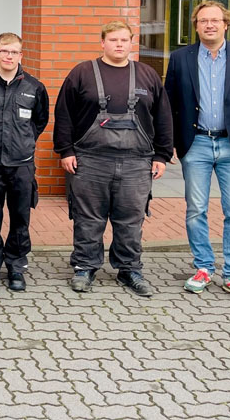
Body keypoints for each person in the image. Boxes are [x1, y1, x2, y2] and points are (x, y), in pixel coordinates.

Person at [54, 21, 172, 297]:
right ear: (102, 43)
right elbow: (64, 114)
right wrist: (66, 150)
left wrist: (162, 154)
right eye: (113, 40)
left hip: (136, 162)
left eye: (124, 40)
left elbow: (163, 116)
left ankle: (129, 269)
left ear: (132, 42)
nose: (119, 45)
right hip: (90, 160)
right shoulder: (82, 73)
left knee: (131, 219)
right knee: (88, 218)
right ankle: (84, 267)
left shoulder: (147, 75)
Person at [164, 0, 230, 304]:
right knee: (195, 209)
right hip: (195, 144)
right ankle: (203, 268)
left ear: (225, 24)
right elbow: (169, 104)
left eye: (215, 20)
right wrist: (168, 143)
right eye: (203, 21)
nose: (209, 25)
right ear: (196, 26)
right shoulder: (180, 58)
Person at [0, 32, 49, 292]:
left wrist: (24, 142)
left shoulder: (35, 87)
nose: (9, 56)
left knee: (20, 215)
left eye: (14, 52)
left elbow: (40, 121)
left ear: (21, 55)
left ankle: (16, 264)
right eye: (4, 51)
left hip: (21, 163)